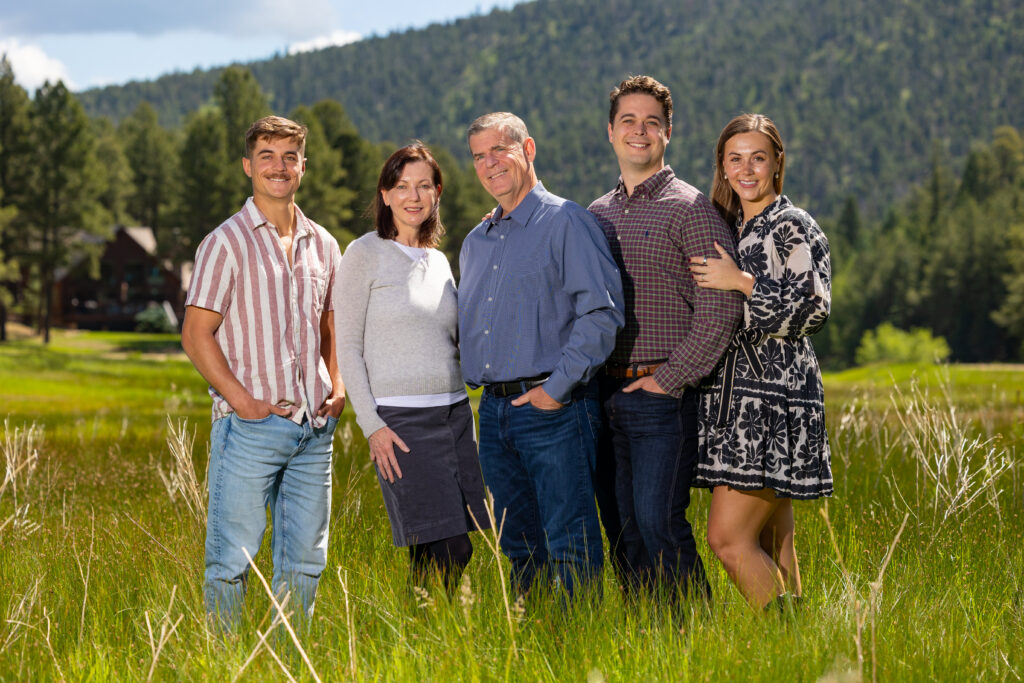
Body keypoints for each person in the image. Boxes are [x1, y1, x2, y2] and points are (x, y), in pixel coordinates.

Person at [181, 115, 344, 628]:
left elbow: (331, 327)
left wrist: (338, 388)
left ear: (303, 166)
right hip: (250, 428)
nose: (279, 167)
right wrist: (244, 402)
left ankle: (290, 658)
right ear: (248, 166)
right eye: (267, 156)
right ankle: (221, 660)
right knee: (232, 562)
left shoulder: (324, 244)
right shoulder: (224, 242)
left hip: (314, 429)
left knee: (305, 563)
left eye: (290, 157)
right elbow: (195, 334)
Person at [588, 76, 743, 603]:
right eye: (628, 121)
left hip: (663, 398)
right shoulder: (596, 214)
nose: (640, 131)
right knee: (622, 530)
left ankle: (694, 634)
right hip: (604, 394)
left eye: (651, 122)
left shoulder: (692, 209)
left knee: (659, 524)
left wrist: (669, 381)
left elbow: (721, 309)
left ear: (668, 133)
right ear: (611, 131)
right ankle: (644, 635)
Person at [459, 112, 624, 600]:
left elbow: (600, 314)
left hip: (556, 408)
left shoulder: (567, 221)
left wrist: (556, 390)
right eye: (479, 156)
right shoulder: (475, 242)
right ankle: (531, 635)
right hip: (494, 412)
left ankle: (577, 640)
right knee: (518, 546)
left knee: (570, 543)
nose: (490, 164)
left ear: (528, 149)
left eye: (500, 150)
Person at [688, 113, 832, 610]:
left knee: (728, 540)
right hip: (734, 403)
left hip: (774, 402)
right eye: (735, 159)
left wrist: (742, 282)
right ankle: (799, 646)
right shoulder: (733, 227)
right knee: (773, 540)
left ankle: (791, 631)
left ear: (776, 163)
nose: (746, 170)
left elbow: (813, 310)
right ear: (722, 166)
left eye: (757, 158)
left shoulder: (792, 225)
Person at [334, 142, 489, 592]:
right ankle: (427, 620)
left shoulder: (439, 260)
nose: (413, 196)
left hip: (455, 416)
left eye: (424, 186)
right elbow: (348, 346)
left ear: (437, 193)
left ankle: (419, 625)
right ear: (385, 194)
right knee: (451, 546)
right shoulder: (364, 253)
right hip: (402, 422)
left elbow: (456, 338)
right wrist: (372, 426)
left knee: (438, 544)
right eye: (402, 186)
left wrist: (494, 241)